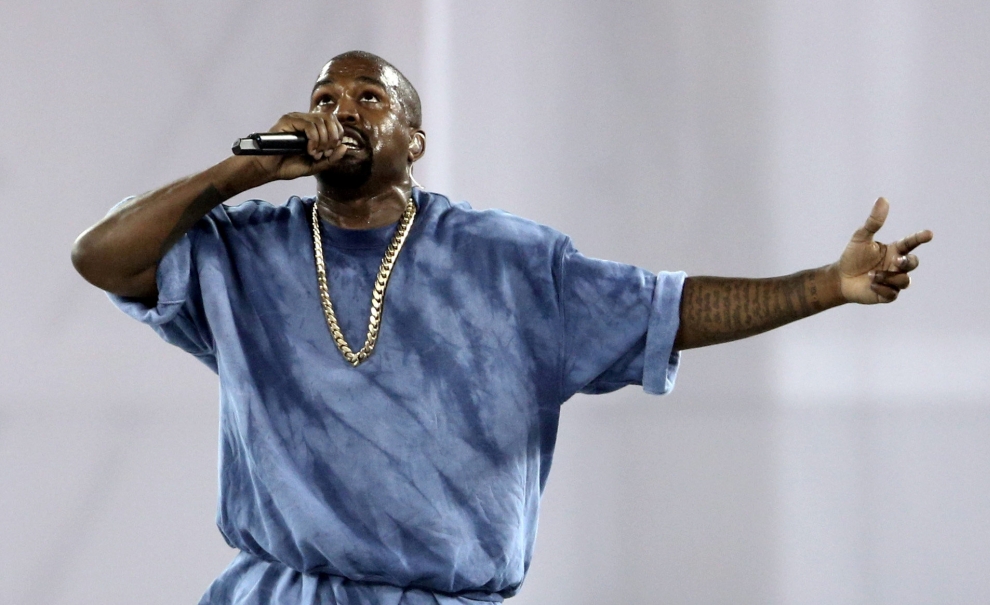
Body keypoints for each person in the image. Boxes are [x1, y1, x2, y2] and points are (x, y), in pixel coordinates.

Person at [71, 50, 932, 605]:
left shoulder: (509, 261)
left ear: (414, 142)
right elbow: (101, 257)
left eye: (371, 97)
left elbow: (666, 307)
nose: (341, 109)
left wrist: (827, 283)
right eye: (326, 96)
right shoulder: (242, 252)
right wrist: (239, 171)